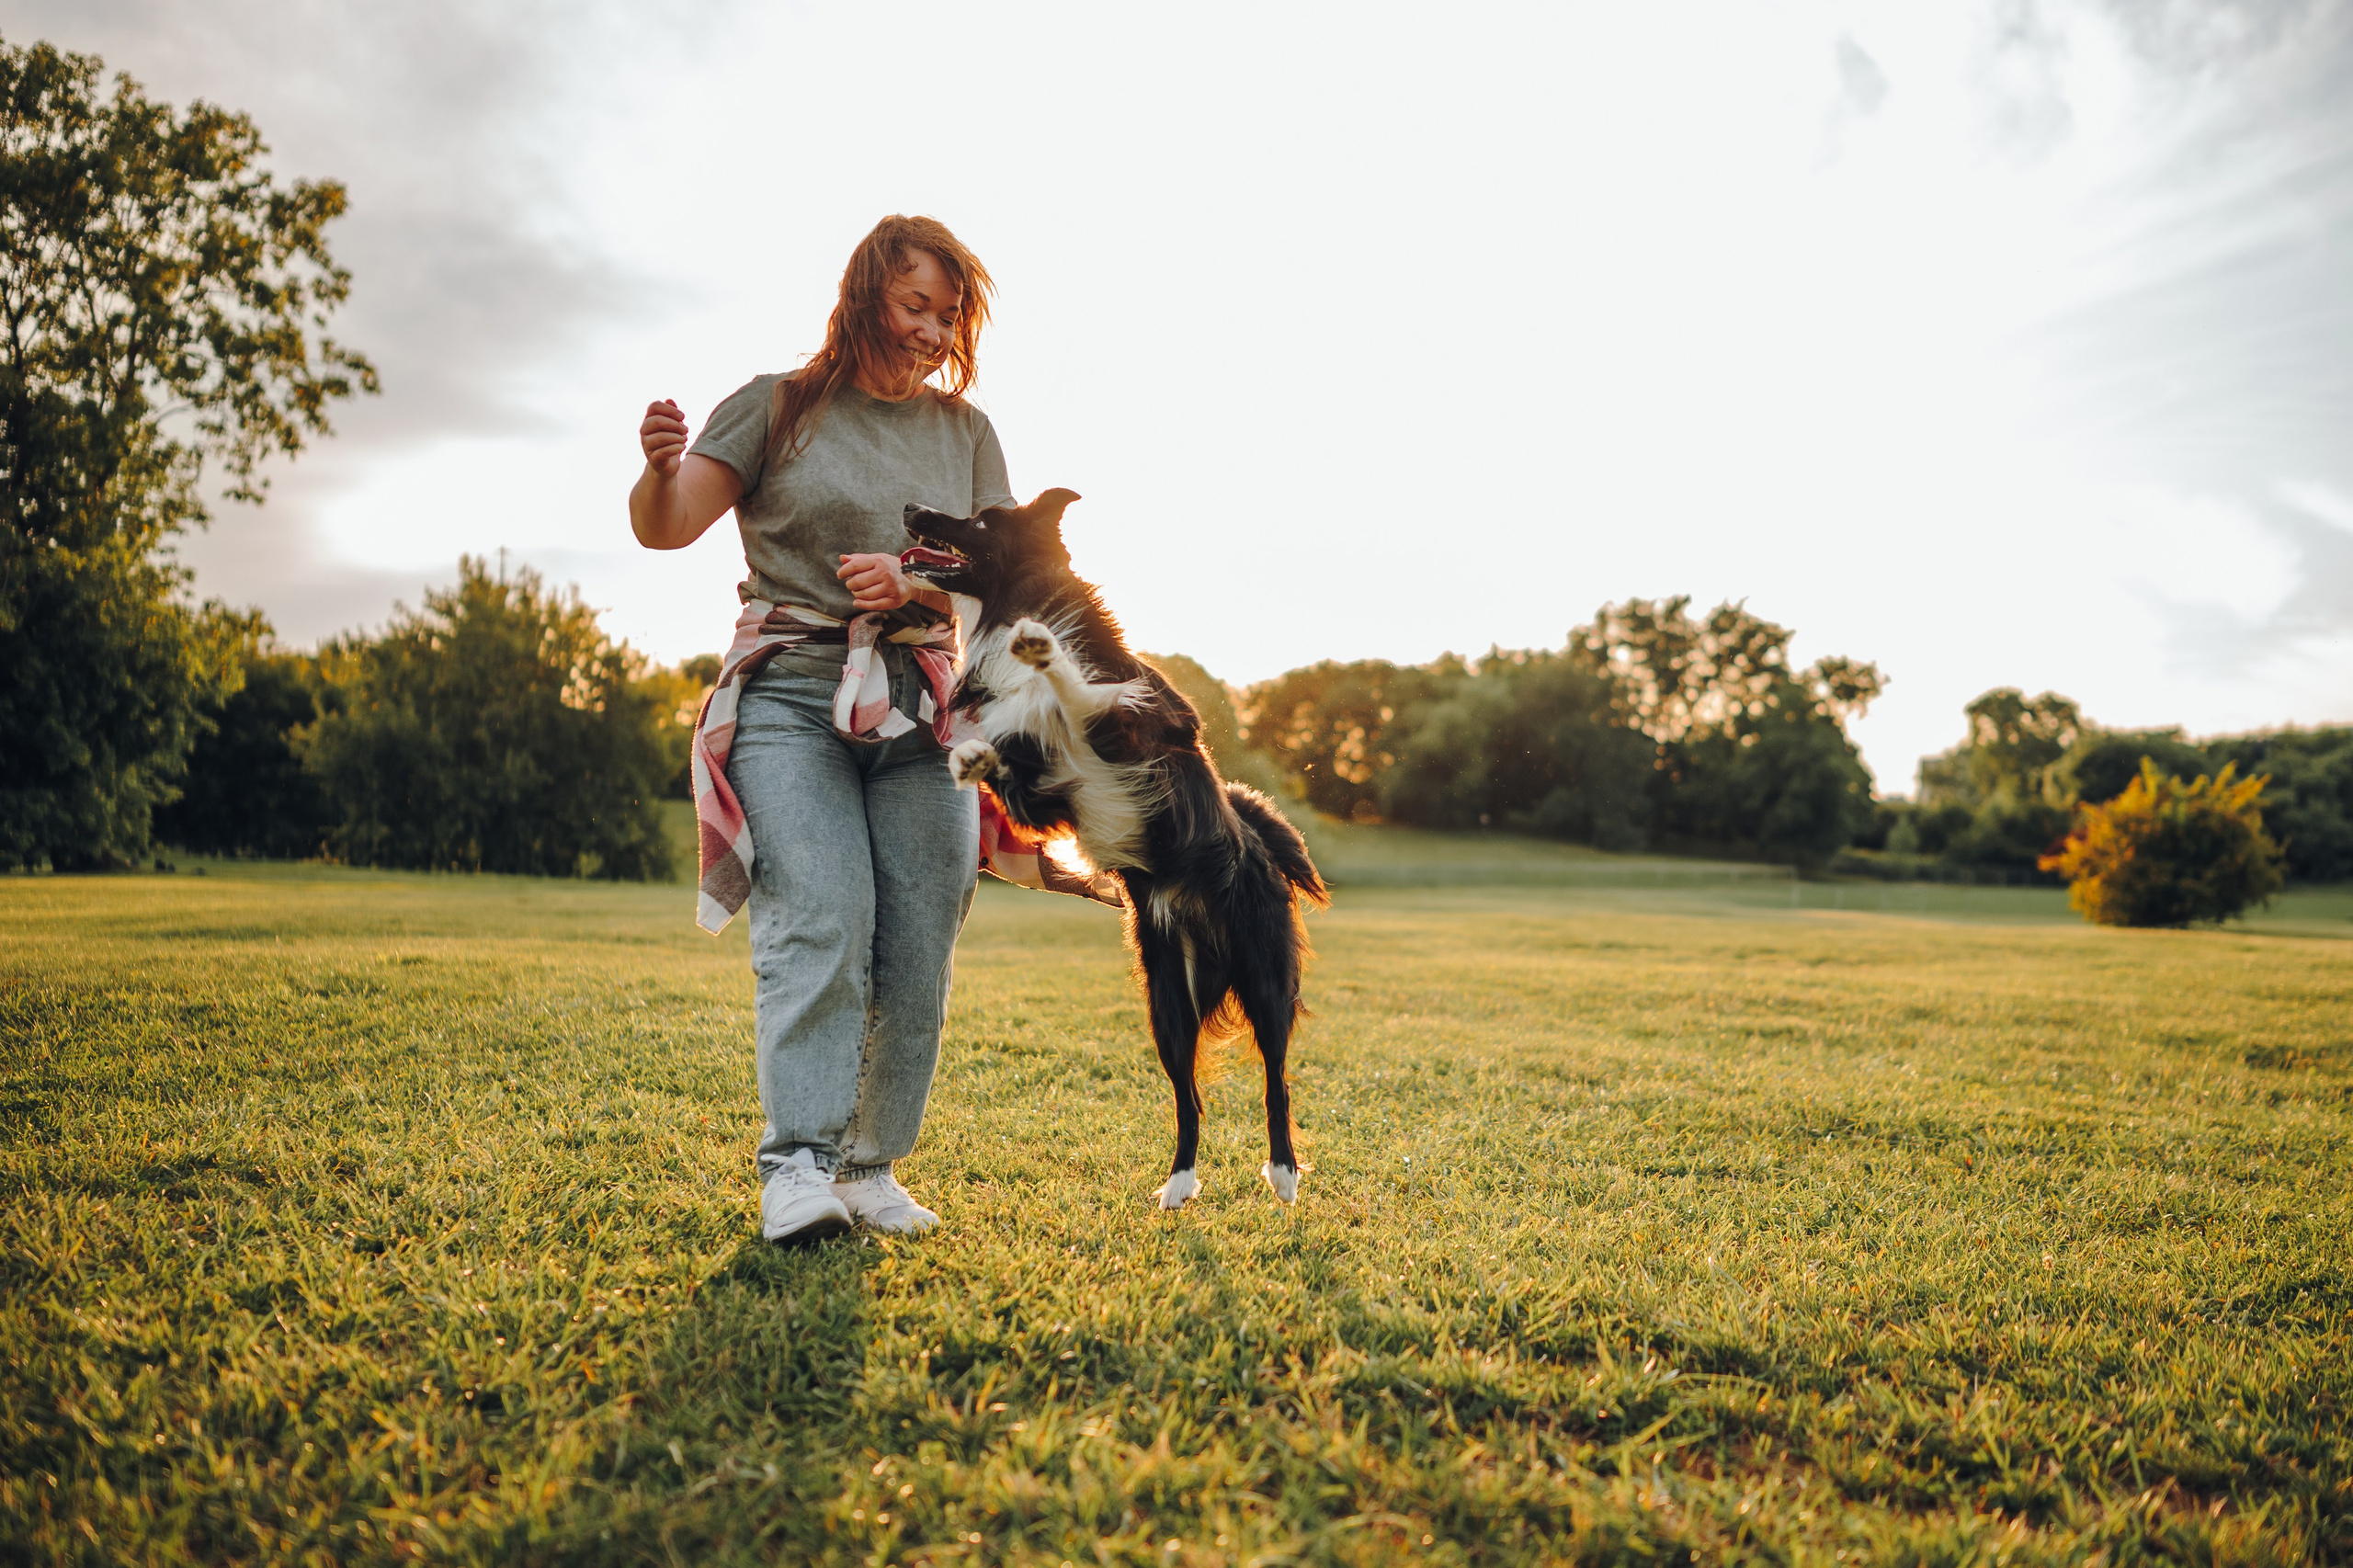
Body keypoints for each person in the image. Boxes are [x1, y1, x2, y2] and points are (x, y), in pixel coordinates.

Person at [628, 215, 1010, 1242]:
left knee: (920, 935)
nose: (933, 330)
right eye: (914, 305)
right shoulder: (775, 408)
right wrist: (659, 469)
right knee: (824, 915)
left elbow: (1004, 584)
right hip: (792, 697)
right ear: (864, 296)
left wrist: (920, 579)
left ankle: (869, 1166)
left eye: (947, 312)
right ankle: (796, 1163)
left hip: (921, 707)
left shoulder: (964, 435)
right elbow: (667, 525)